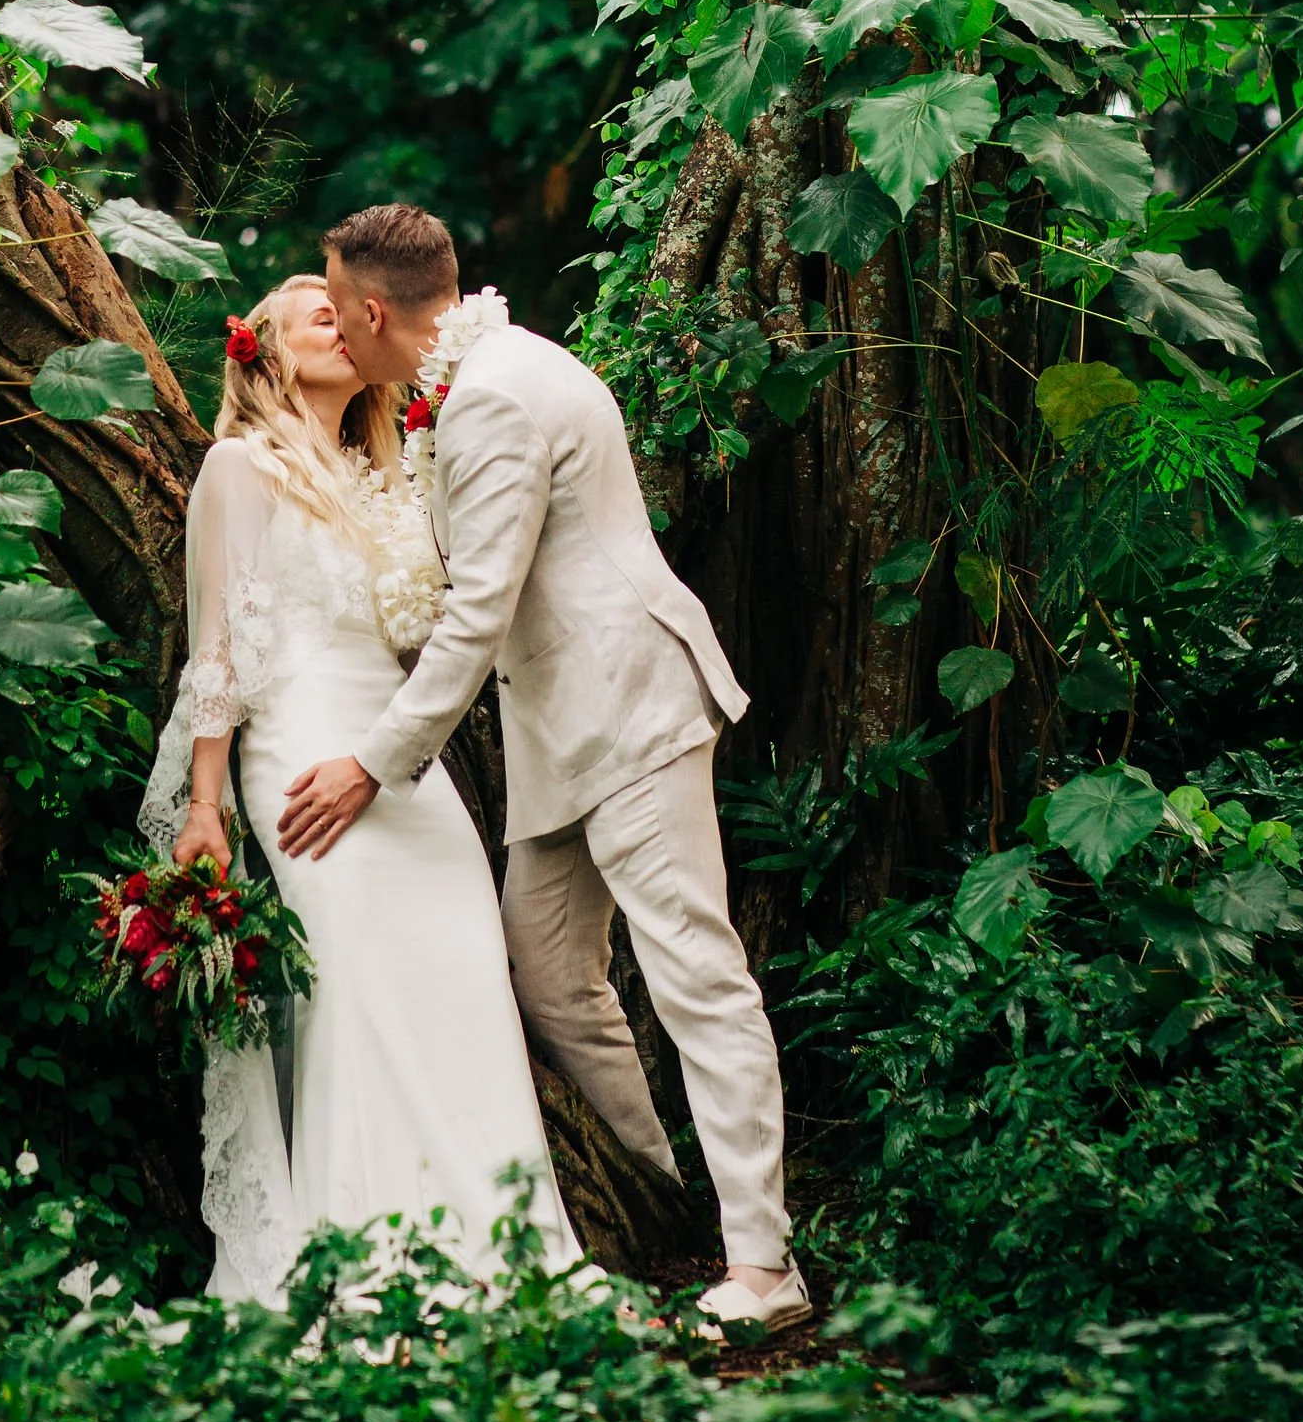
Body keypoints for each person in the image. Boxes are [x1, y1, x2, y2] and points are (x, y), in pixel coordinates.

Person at [278, 202, 808, 1336]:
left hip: (626, 713)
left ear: (374, 312)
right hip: (557, 737)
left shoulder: (495, 400)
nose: (329, 321)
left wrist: (372, 762)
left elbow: (479, 611)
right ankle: (659, 1196)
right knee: (549, 971)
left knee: (694, 977)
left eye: (334, 303)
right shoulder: (472, 379)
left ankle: (764, 1265)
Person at [139, 273, 581, 1305]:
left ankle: (506, 1258)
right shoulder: (238, 471)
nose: (342, 324)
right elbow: (216, 658)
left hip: (403, 781)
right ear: (269, 353)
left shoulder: (381, 471)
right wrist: (205, 809)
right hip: (299, 771)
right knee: (359, 1001)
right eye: (317, 316)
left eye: (347, 313)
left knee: (464, 979)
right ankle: (371, 1267)